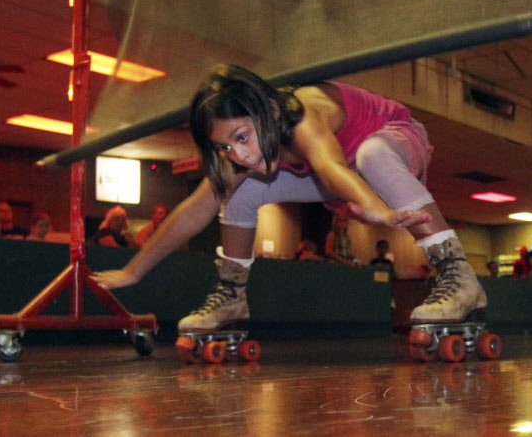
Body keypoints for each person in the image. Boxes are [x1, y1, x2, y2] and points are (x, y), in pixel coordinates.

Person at [91, 65, 487, 343]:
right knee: (239, 191)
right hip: (339, 177)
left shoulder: (302, 116)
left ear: (270, 112)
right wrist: (132, 271)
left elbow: (332, 168)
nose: (239, 155)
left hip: (392, 142)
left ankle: (459, 277)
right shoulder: (245, 154)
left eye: (243, 137)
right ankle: (231, 297)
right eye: (225, 146)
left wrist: (377, 209)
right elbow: (194, 210)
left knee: (371, 155)